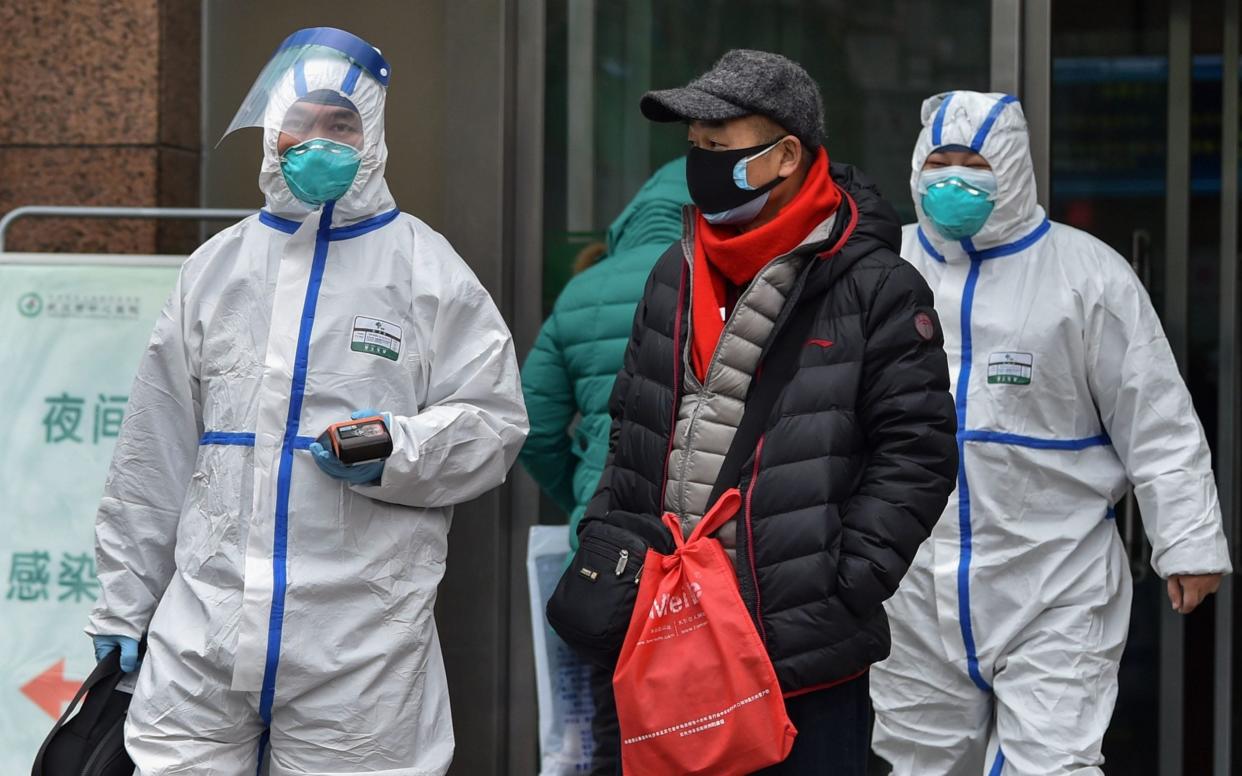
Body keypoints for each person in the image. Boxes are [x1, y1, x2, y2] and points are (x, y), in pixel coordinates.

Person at [86, 27, 528, 775]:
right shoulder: (217, 268)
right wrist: (126, 600)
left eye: (341, 124)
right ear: (270, 132)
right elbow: (152, 451)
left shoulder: (427, 269)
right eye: (299, 122)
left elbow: (495, 423)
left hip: (360, 641)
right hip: (203, 630)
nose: (315, 141)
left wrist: (396, 448)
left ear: (374, 135)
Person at [579, 49, 959, 775]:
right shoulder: (675, 269)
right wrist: (609, 535)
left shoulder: (875, 285)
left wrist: (843, 578)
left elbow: (918, 453)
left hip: (793, 644)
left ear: (786, 155)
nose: (700, 164)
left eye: (718, 149)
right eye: (693, 149)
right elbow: (631, 420)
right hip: (661, 625)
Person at [870, 90, 1232, 776]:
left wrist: (1187, 541)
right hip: (913, 581)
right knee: (916, 764)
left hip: (1053, 578)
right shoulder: (881, 269)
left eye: (973, 162)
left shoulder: (1084, 273)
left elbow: (1154, 413)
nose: (953, 178)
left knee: (1054, 764)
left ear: (1010, 164)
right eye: (939, 161)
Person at [520, 157, 690, 553]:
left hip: (600, 535)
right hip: (696, 543)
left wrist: (582, 492)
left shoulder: (583, 290)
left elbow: (533, 428)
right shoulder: (728, 283)